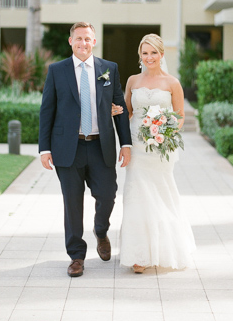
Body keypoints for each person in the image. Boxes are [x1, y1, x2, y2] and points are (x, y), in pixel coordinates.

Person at [38, 22, 133, 277]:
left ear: (94, 41)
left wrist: (126, 143)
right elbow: (46, 111)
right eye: (78, 39)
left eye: (87, 39)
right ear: (71, 41)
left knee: (108, 195)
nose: (83, 43)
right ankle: (77, 256)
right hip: (67, 148)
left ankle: (100, 230)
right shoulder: (57, 70)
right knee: (72, 203)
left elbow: (119, 108)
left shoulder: (108, 69)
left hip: (101, 146)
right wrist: (44, 149)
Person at [119, 33, 196, 273]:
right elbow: (128, 112)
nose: (149, 57)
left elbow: (180, 115)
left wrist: (165, 130)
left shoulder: (172, 83)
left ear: (161, 54)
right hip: (137, 147)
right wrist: (116, 111)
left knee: (161, 195)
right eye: (145, 53)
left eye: (153, 52)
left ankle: (165, 250)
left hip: (160, 147)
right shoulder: (132, 80)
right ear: (140, 56)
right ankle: (138, 255)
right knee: (137, 196)